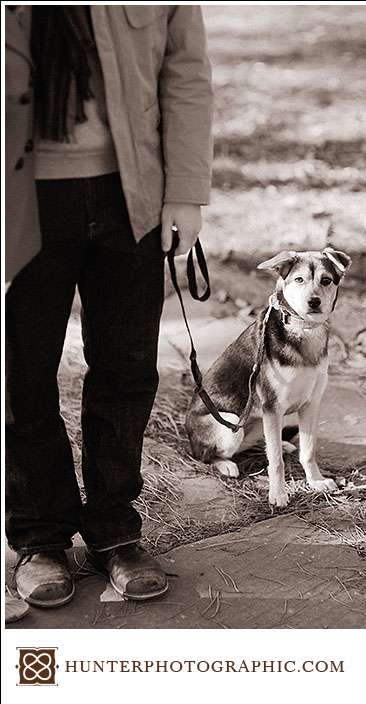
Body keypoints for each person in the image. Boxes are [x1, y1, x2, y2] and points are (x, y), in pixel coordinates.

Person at [5, 5, 212, 608]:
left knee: (125, 371)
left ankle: (114, 529)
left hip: (133, 191)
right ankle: (40, 537)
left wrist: (185, 192)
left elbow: (186, 71)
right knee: (21, 375)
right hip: (21, 191)